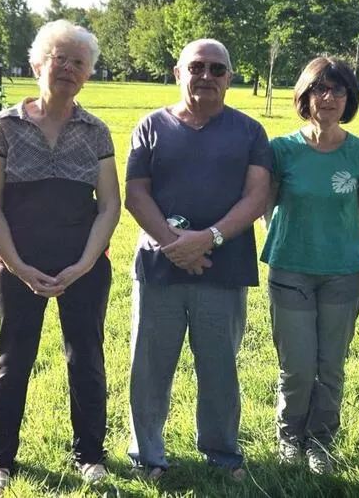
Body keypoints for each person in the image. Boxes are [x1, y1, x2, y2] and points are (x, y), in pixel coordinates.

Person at [0, 20, 119, 493]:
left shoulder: (96, 131)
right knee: (13, 359)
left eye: (79, 62)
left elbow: (110, 206)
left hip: (85, 266)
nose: (69, 69)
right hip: (19, 264)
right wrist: (18, 267)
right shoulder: (4, 126)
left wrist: (85, 264)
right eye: (60, 59)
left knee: (87, 358)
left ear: (88, 75)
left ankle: (90, 455)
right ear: (38, 64)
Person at [124, 38, 271, 481]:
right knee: (150, 367)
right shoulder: (151, 126)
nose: (206, 76)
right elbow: (136, 194)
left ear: (230, 78)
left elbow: (257, 196)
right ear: (178, 73)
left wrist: (208, 238)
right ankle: (148, 455)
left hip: (224, 269)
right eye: (196, 67)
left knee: (220, 367)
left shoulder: (250, 131)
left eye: (217, 69)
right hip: (159, 267)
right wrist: (175, 245)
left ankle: (222, 452)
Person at [261, 57, 359, 474]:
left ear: (349, 98)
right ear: (305, 95)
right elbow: (266, 205)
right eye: (319, 88)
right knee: (297, 367)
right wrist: (290, 240)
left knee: (331, 366)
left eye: (337, 89)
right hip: (290, 270)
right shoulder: (281, 150)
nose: (328, 97)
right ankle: (289, 437)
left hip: (343, 273)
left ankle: (320, 442)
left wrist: (334, 242)